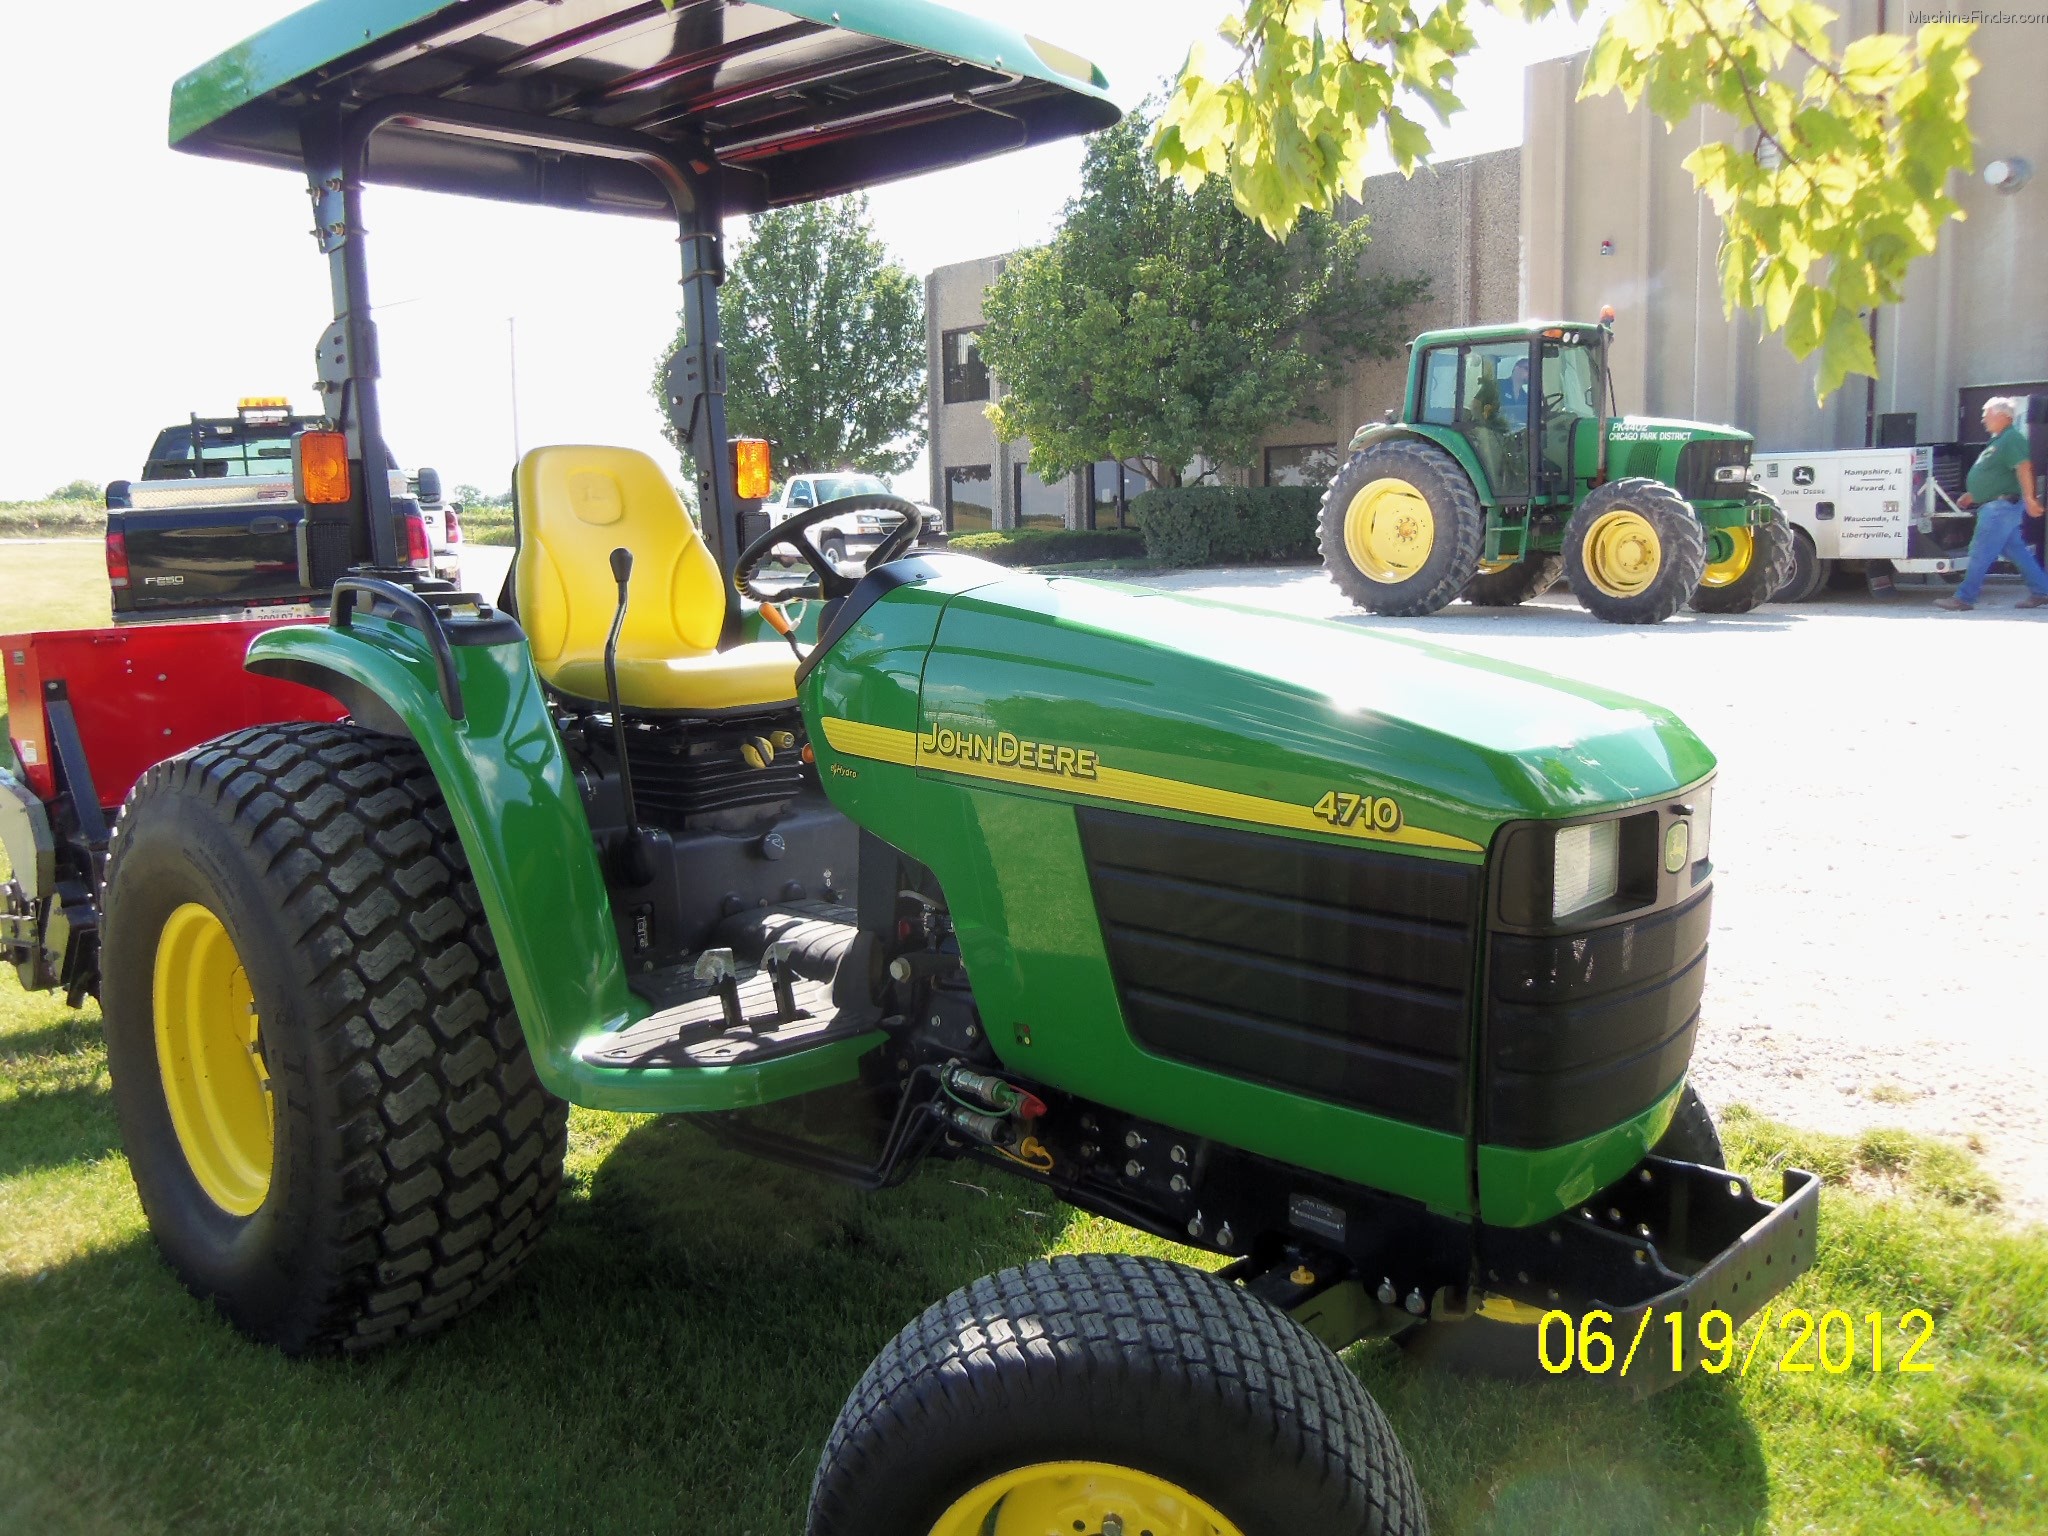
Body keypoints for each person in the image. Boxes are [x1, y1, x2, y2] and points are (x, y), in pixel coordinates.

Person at [1935, 396, 2048, 611]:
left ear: (2003, 416)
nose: (1983, 420)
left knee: (1980, 550)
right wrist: (1973, 494)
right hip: (1997, 506)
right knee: (2017, 551)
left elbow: (2023, 467)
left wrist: (2030, 498)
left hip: (2000, 508)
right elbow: (1996, 475)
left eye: (1986, 415)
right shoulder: (1999, 440)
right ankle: (2042, 591)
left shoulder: (2011, 439)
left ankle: (1964, 598)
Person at [1498, 357, 1532, 432]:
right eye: (1527, 369)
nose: (1530, 373)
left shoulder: (1526, 397)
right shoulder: (1497, 385)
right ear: (1516, 368)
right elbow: (1477, 407)